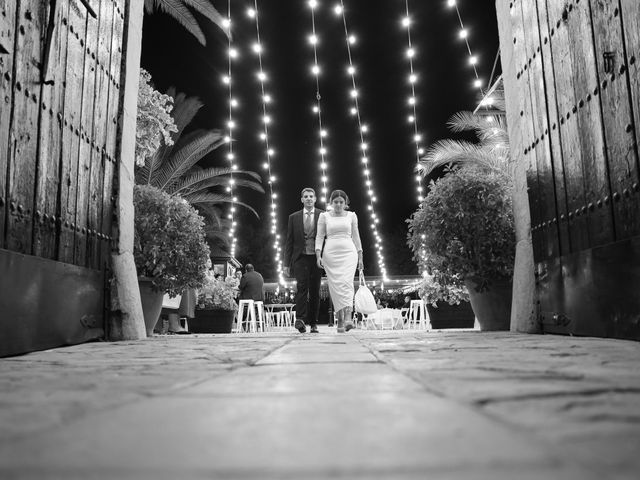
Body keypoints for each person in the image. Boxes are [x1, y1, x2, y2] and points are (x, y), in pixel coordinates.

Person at [315, 189, 364, 333]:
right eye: (335, 202)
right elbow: (319, 236)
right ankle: (340, 319)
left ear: (345, 203)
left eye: (341, 202)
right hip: (330, 253)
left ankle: (348, 316)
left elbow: (356, 236)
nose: (338, 204)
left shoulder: (352, 216)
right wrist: (318, 255)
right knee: (336, 287)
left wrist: (360, 256)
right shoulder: (324, 216)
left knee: (347, 283)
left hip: (349, 252)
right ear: (331, 202)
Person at [284, 187, 324, 333]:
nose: (308, 198)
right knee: (301, 288)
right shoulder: (293, 217)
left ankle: (313, 323)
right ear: (302, 199)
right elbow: (289, 241)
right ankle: (300, 320)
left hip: (316, 258)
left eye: (311, 196)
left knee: (315, 290)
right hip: (300, 257)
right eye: (306, 196)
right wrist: (286, 264)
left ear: (315, 199)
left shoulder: (323, 215)